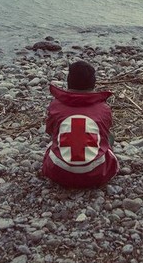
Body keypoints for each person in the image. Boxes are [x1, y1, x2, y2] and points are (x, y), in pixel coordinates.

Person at [42, 60, 118, 188]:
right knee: (109, 138)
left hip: (58, 173)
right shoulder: (104, 109)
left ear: (69, 81)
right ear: (93, 83)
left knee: (54, 139)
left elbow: (50, 131)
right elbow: (104, 134)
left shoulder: (55, 106)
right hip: (98, 174)